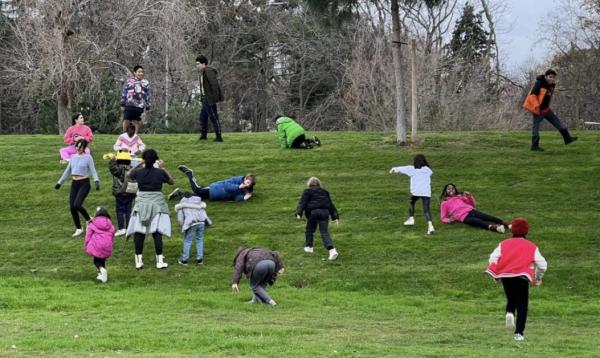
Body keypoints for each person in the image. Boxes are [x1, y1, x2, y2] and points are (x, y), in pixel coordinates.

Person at [486, 217, 547, 341]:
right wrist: (537, 277)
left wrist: (495, 273)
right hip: (522, 277)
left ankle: (509, 312)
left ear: (512, 230)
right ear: (527, 231)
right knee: (522, 304)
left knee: (511, 297)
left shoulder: (504, 243)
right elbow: (543, 264)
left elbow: (493, 257)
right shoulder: (531, 246)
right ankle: (519, 333)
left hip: (506, 276)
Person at [126, 149, 174, 270]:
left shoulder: (138, 172)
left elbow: (128, 175)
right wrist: (163, 168)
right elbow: (171, 182)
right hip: (157, 204)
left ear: (144, 159)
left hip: (141, 203)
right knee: (156, 232)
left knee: (139, 231)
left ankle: (138, 261)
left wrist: (139, 163)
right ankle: (159, 261)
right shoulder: (160, 172)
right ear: (155, 160)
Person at [523, 69, 578, 151]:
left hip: (546, 110)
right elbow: (532, 95)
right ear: (546, 77)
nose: (551, 79)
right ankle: (534, 146)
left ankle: (567, 139)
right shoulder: (539, 83)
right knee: (536, 128)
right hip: (538, 111)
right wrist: (537, 105)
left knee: (558, 122)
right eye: (550, 77)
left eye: (553, 77)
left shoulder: (551, 85)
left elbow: (546, 95)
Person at [55, 139, 100, 237]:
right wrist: (59, 182)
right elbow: (67, 171)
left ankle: (89, 220)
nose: (78, 148)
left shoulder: (88, 158)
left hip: (84, 183)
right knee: (72, 207)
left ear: (84, 148)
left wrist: (96, 181)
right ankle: (79, 228)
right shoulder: (73, 157)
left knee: (77, 204)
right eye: (77, 146)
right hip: (74, 183)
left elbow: (93, 170)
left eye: (80, 147)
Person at [295, 177, 339, 261]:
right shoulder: (325, 192)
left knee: (309, 229)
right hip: (325, 213)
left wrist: (299, 213)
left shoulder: (307, 191)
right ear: (319, 184)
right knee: (324, 232)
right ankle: (332, 250)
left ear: (309, 184)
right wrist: (335, 217)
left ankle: (309, 247)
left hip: (313, 212)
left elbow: (302, 202)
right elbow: (331, 204)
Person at [389, 154, 435, 235]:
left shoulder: (411, 169)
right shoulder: (428, 170)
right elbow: (429, 173)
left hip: (416, 191)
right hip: (426, 192)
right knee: (426, 210)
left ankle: (411, 218)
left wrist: (393, 169)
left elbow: (402, 169)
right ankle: (430, 225)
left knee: (411, 202)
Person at [440, 183, 509, 233]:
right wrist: (449, 220)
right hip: (463, 217)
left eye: (452, 188)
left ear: (455, 190)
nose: (451, 190)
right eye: (449, 189)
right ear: (445, 191)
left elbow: (472, 205)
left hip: (471, 211)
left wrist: (469, 196)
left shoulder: (460, 196)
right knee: (477, 221)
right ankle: (495, 228)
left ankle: (506, 224)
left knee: (487, 217)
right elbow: (443, 218)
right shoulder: (444, 203)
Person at [169, 165, 255, 202]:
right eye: (247, 182)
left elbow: (236, 199)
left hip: (213, 196)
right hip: (214, 189)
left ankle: (179, 193)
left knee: (195, 198)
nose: (247, 184)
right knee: (197, 190)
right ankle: (189, 173)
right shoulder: (237, 180)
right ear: (245, 178)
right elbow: (227, 186)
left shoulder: (244, 190)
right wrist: (238, 187)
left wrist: (245, 197)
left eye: (249, 184)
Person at [175, 194, 211, 266]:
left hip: (191, 223)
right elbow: (204, 213)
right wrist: (208, 222)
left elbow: (180, 219)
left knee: (188, 241)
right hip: (201, 222)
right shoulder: (198, 202)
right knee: (199, 240)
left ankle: (184, 260)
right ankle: (200, 260)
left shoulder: (181, 205)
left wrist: (183, 227)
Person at [108, 151, 136, 236]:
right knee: (128, 210)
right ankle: (129, 228)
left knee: (119, 210)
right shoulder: (132, 168)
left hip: (119, 192)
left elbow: (112, 168)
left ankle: (121, 228)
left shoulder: (118, 169)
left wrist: (113, 159)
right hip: (130, 192)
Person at [196, 55, 224, 141]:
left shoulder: (208, 71)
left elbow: (214, 85)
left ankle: (219, 137)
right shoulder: (203, 72)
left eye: (198, 64)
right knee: (203, 117)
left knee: (213, 117)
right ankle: (203, 136)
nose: (197, 66)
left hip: (209, 99)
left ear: (204, 64)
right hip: (205, 99)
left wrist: (214, 99)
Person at [84, 207, 116, 283]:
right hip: (107, 245)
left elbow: (88, 235)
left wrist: (86, 244)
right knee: (102, 260)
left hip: (97, 244)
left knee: (96, 261)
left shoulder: (92, 223)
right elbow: (112, 235)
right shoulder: (111, 225)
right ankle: (103, 276)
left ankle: (102, 270)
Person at [120, 65, 151, 134]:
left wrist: (148, 104)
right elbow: (124, 91)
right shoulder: (129, 81)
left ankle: (135, 136)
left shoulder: (145, 83)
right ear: (135, 72)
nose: (141, 73)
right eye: (139, 72)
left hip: (140, 105)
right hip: (129, 104)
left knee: (136, 121)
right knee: (126, 119)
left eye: (142, 72)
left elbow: (148, 94)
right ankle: (124, 134)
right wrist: (122, 101)